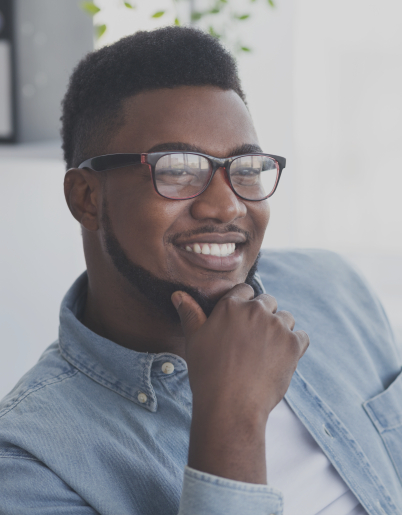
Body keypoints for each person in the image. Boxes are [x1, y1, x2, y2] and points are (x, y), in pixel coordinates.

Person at [0, 26, 401, 515]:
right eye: (177, 170)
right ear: (86, 198)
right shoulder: (28, 463)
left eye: (246, 169)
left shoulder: (334, 287)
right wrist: (233, 417)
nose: (226, 206)